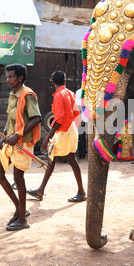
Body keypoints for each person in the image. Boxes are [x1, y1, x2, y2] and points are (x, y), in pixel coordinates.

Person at [0, 64, 41, 231]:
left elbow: (37, 119)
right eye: (7, 77)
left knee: (18, 178)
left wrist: (18, 135)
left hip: (23, 143)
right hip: (11, 141)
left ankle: (22, 219)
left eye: (11, 77)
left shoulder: (27, 95)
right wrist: (5, 134)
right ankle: (21, 209)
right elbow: (10, 117)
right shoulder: (13, 94)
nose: (7, 80)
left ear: (20, 78)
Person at [27, 71, 86, 203]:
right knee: (70, 158)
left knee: (52, 158)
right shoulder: (70, 93)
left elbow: (58, 120)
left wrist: (47, 137)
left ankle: (40, 190)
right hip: (71, 128)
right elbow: (76, 112)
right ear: (64, 82)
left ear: (53, 82)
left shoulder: (59, 96)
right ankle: (81, 191)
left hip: (64, 129)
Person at [75, 88, 87, 159]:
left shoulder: (79, 92)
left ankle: (82, 155)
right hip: (93, 117)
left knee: (81, 136)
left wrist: (80, 119)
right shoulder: (95, 90)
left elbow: (79, 107)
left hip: (83, 117)